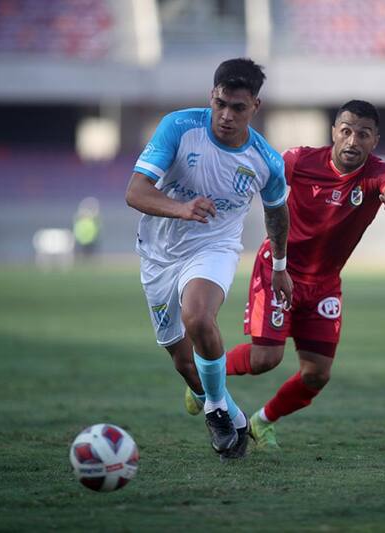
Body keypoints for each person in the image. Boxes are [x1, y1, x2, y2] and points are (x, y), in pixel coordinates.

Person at [186, 100, 385, 451]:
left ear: (375, 140)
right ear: (334, 133)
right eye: (346, 131)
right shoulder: (300, 160)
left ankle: (261, 422)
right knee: (266, 359)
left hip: (325, 285)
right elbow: (261, 178)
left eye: (363, 134)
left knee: (317, 374)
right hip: (279, 270)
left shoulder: (378, 173)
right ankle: (203, 381)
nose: (353, 141)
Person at [125, 58, 292, 461]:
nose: (226, 116)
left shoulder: (266, 161)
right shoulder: (179, 127)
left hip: (213, 248)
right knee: (184, 360)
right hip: (158, 253)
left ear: (256, 106)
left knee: (198, 317)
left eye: (238, 108)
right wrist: (181, 208)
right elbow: (135, 192)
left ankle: (215, 410)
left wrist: (282, 267)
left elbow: (277, 211)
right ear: (211, 97)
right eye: (220, 104)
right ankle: (230, 415)